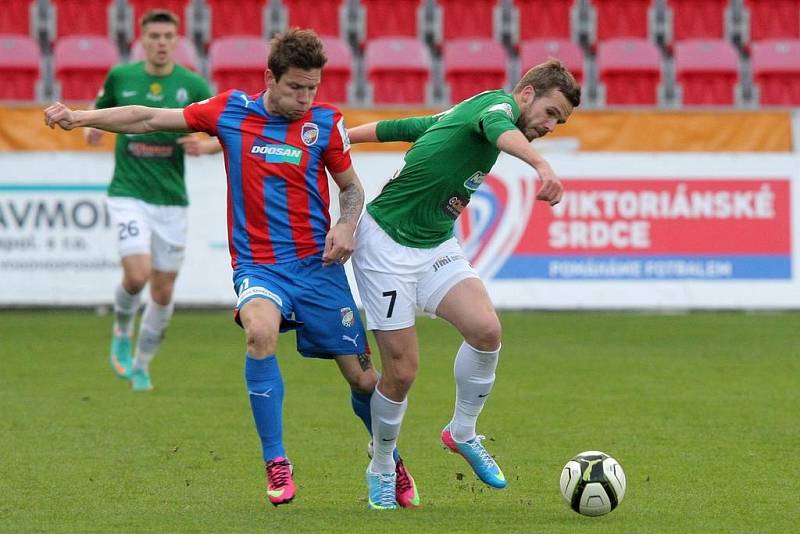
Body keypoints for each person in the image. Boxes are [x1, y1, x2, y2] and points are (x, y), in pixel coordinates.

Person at [45, 28, 418, 510]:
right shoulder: (231, 111)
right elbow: (146, 117)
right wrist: (79, 117)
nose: (305, 99)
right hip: (260, 265)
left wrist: (347, 226)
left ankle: (389, 458)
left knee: (364, 380)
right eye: (295, 88)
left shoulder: (325, 124)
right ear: (270, 78)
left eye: (313, 88)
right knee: (258, 333)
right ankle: (277, 461)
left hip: (318, 268)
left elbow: (351, 189)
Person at [347, 59, 581, 508]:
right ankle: (380, 466)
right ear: (527, 93)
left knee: (486, 330)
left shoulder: (472, 110)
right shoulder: (495, 108)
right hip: (385, 246)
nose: (552, 125)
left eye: (560, 121)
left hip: (435, 243)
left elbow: (416, 124)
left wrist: (349, 136)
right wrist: (541, 165)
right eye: (551, 113)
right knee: (402, 372)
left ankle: (462, 432)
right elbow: (499, 130)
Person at [87, 9, 220, 392]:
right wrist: (94, 127)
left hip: (171, 200)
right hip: (128, 192)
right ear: (141, 40)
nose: (160, 43)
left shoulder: (191, 84)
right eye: (154, 36)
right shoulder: (122, 76)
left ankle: (142, 363)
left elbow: (221, 132)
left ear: (177, 40)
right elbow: (103, 110)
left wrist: (205, 147)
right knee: (137, 274)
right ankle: (121, 328)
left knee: (162, 292)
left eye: (167, 37)